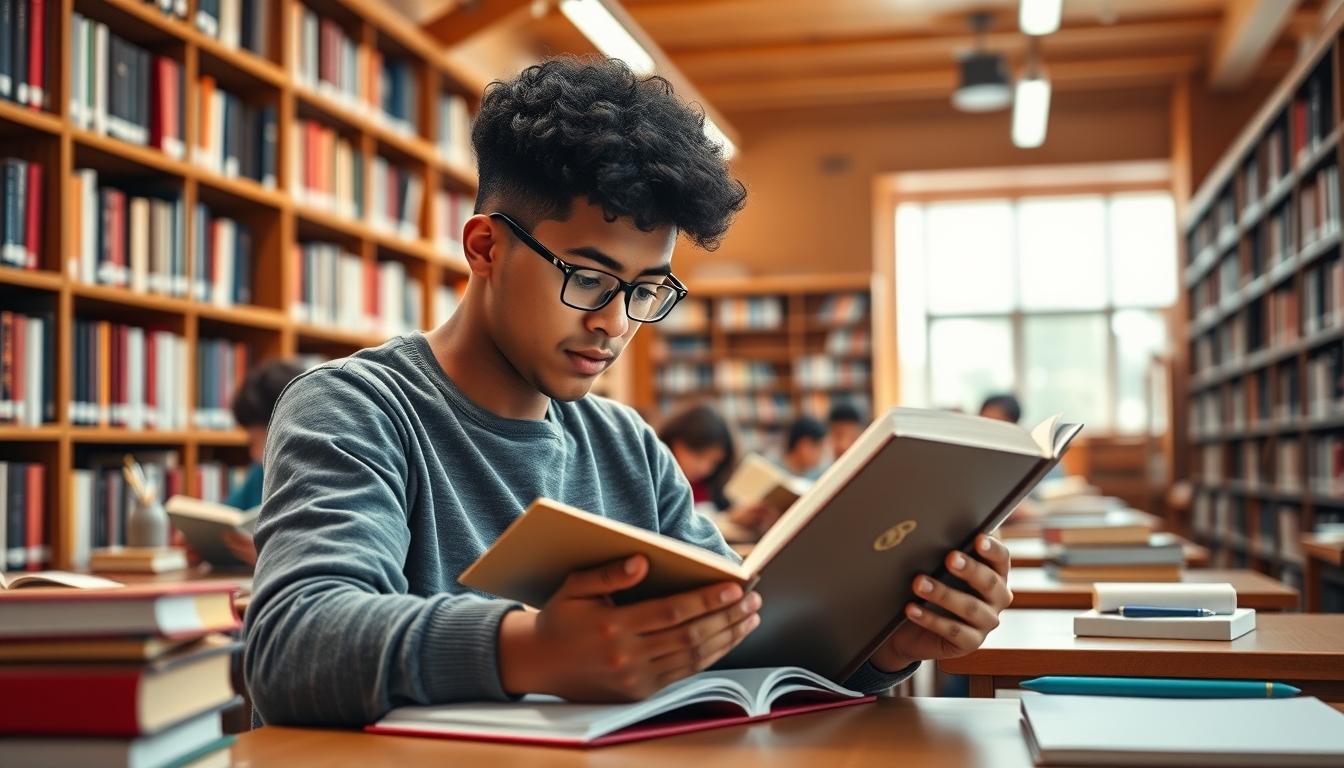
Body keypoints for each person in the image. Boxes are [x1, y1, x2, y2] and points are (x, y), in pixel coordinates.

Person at [244, 57, 1013, 727]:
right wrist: (531, 651)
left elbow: (742, 655)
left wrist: (888, 647)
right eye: (588, 278)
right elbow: (290, 647)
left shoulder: (627, 448)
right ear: (486, 247)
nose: (614, 323)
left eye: (646, 291)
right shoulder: (356, 410)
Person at [174, 358, 308, 568]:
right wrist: (200, 543)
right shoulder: (260, 472)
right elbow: (227, 519)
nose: (255, 454)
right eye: (250, 442)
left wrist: (275, 559)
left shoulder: (324, 474)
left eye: (258, 441)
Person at [657, 403, 781, 541]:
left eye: (714, 462)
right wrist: (729, 519)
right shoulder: (658, 482)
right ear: (675, 442)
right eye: (698, 456)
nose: (705, 468)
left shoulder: (713, 485)